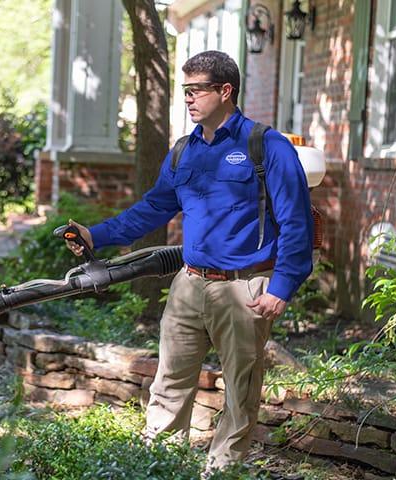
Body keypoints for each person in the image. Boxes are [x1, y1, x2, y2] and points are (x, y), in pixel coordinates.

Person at [65, 50, 313, 475]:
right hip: (188, 284)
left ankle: (220, 472)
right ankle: (157, 467)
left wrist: (281, 286)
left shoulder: (266, 146)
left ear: (225, 91)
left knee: (240, 392)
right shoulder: (184, 151)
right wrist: (96, 235)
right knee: (169, 383)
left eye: (195, 90)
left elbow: (297, 224)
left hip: (245, 288)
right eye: (185, 91)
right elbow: (151, 209)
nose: (188, 99)